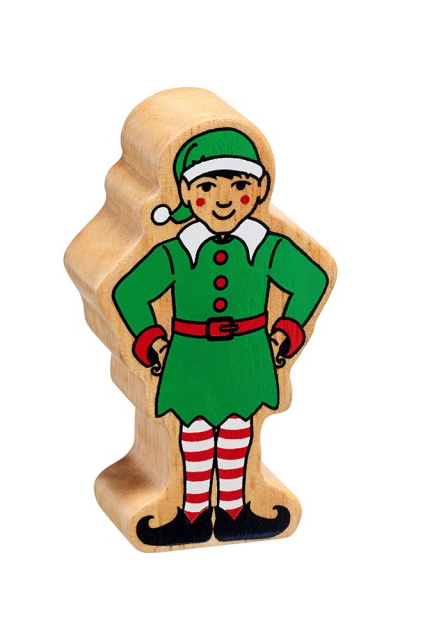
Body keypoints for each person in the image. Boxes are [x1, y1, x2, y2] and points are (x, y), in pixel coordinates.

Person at [113, 128, 328, 546]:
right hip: (189, 356)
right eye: (207, 187)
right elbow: (129, 291)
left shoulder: (266, 248)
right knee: (193, 432)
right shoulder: (177, 250)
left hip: (247, 354)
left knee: (236, 429)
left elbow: (311, 278)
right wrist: (152, 339)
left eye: (240, 186)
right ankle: (193, 513)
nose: (224, 199)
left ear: (260, 189)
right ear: (185, 192)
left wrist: (286, 330)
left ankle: (233, 510)